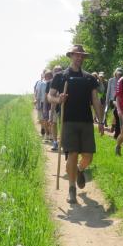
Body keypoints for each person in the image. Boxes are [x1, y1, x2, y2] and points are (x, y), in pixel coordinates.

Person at [48, 45, 104, 204]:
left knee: (88, 157)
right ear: (71, 56)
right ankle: (71, 189)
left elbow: (95, 100)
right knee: (72, 154)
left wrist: (100, 121)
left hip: (86, 121)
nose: (79, 58)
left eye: (81, 56)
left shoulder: (89, 78)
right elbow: (49, 97)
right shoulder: (60, 77)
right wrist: (58, 100)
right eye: (76, 55)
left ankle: (79, 170)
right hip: (68, 121)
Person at [105, 67, 123, 137]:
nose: (119, 75)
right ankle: (114, 126)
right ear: (115, 73)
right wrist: (107, 101)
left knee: (116, 113)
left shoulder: (122, 80)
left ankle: (114, 125)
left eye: (120, 73)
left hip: (119, 99)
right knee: (115, 112)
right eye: (118, 73)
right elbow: (108, 91)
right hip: (112, 99)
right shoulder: (111, 80)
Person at [49, 65, 63, 151]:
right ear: (53, 72)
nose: (58, 72)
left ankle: (62, 141)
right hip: (52, 106)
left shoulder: (64, 80)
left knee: (62, 125)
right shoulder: (50, 83)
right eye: (56, 71)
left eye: (60, 70)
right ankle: (55, 142)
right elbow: (50, 97)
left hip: (63, 107)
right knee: (53, 124)